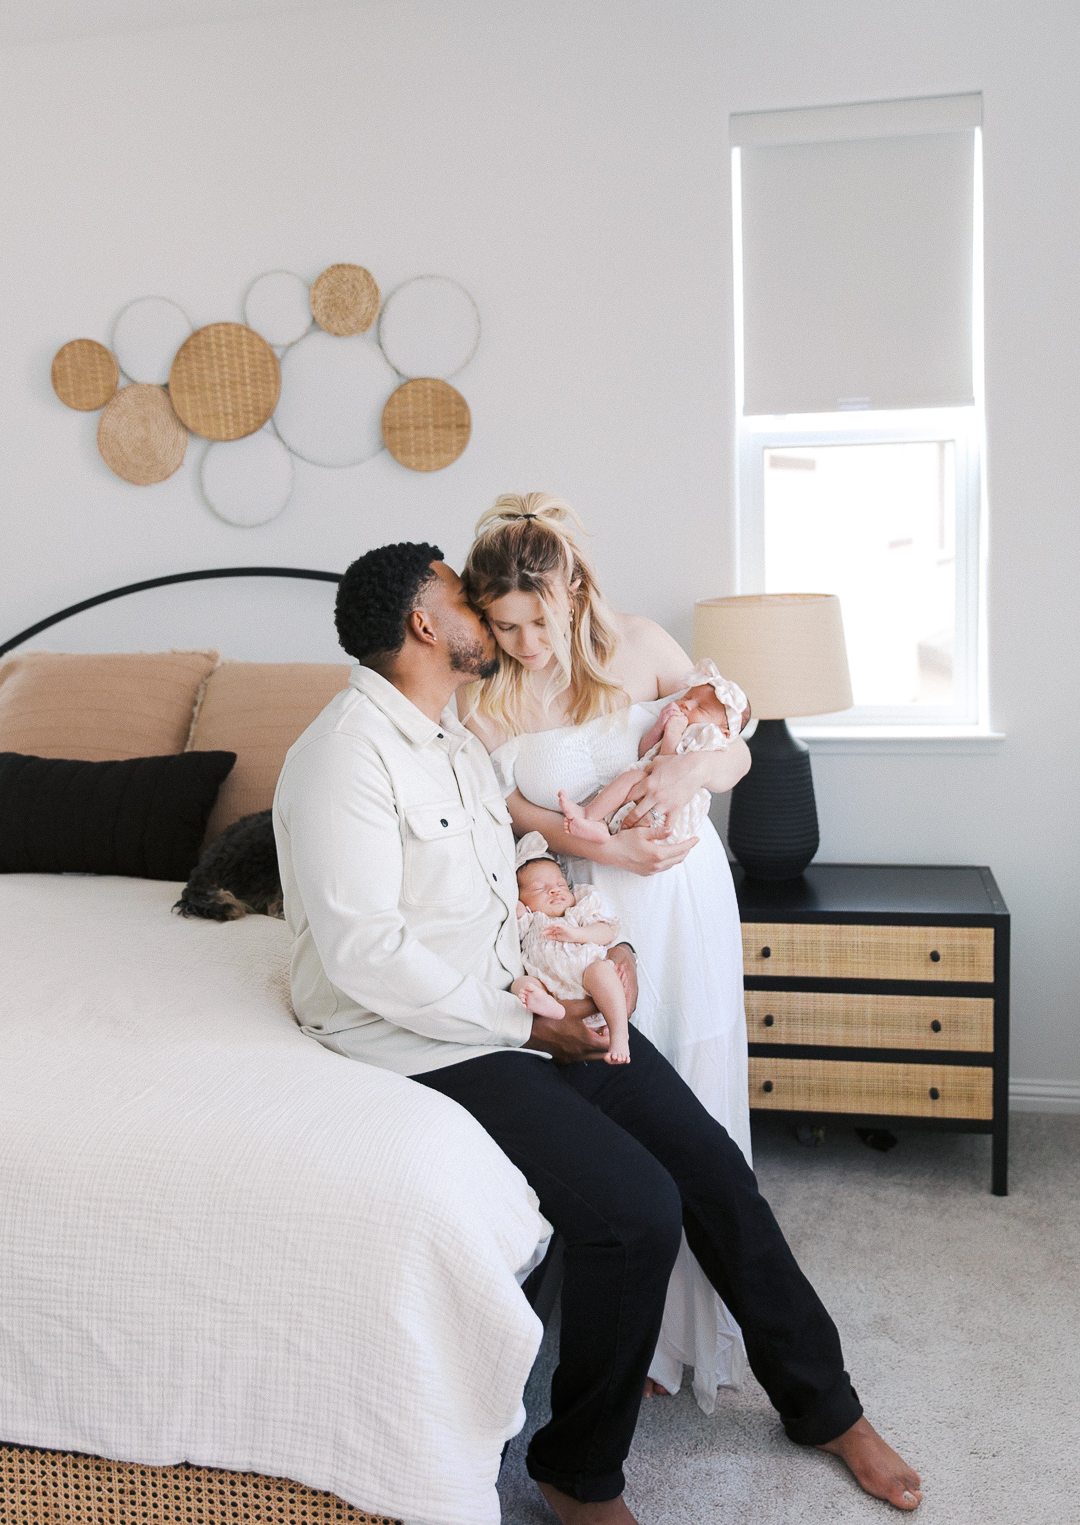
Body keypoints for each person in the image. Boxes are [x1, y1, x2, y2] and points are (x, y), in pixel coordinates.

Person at [273, 540, 923, 1523]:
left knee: (711, 1168)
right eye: (464, 599)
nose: (489, 621)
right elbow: (366, 955)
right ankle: (575, 1472)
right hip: (431, 1036)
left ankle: (826, 1407)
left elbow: (507, 851)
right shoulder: (339, 758)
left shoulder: (446, 735)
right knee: (634, 1208)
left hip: (522, 996)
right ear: (423, 624)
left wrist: (576, 936)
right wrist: (531, 1022)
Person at [461, 493, 754, 1407]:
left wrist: (681, 770)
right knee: (624, 1090)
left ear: (576, 591)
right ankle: (629, 1328)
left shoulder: (642, 641)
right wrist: (603, 848)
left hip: (685, 893)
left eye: (537, 621)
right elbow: (509, 811)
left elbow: (731, 744)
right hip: (585, 906)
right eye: (504, 626)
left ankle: (695, 1332)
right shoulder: (487, 692)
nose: (524, 644)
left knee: (697, 1084)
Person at [559, 658, 749, 847]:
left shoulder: (706, 738)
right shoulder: (680, 723)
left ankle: (589, 816)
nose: (687, 705)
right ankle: (597, 825)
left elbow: (669, 767)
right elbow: (645, 753)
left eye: (700, 707)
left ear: (724, 732)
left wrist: (672, 733)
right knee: (632, 778)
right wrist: (660, 726)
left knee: (633, 777)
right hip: (650, 785)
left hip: (670, 811)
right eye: (687, 697)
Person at [513, 835, 630, 1063]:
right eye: (540, 889)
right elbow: (510, 907)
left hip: (587, 980)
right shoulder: (529, 920)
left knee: (601, 970)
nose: (555, 891)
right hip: (549, 988)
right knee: (523, 985)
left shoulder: (578, 911)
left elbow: (607, 932)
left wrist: (577, 934)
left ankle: (620, 1034)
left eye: (560, 885)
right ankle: (550, 1007)